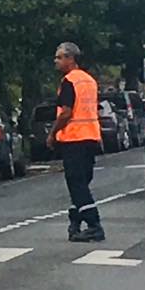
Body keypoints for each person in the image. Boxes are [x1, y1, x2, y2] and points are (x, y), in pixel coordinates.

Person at [51, 40, 105, 242]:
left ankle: (94, 224)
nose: (55, 61)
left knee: (76, 184)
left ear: (70, 58)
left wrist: (52, 133)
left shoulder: (69, 82)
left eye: (59, 57)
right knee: (82, 183)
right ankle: (75, 223)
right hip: (91, 137)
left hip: (74, 139)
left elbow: (66, 113)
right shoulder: (89, 80)